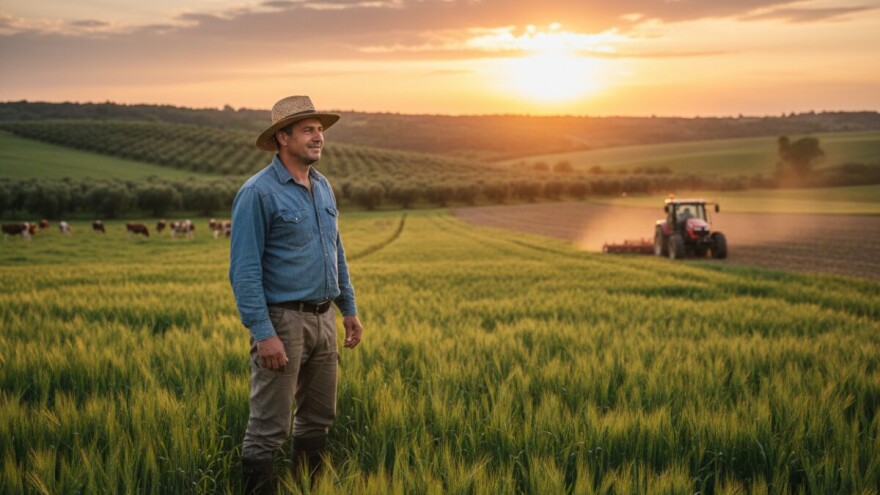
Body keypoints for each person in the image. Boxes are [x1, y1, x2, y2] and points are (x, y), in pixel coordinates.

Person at [229, 95, 364, 493]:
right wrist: (263, 333)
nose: (318, 136)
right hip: (282, 322)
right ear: (282, 138)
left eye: (320, 129)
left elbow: (336, 250)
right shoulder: (258, 193)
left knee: (318, 419)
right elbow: (244, 271)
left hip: (324, 320)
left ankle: (308, 488)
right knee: (268, 428)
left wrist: (348, 308)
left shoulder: (322, 187)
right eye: (308, 130)